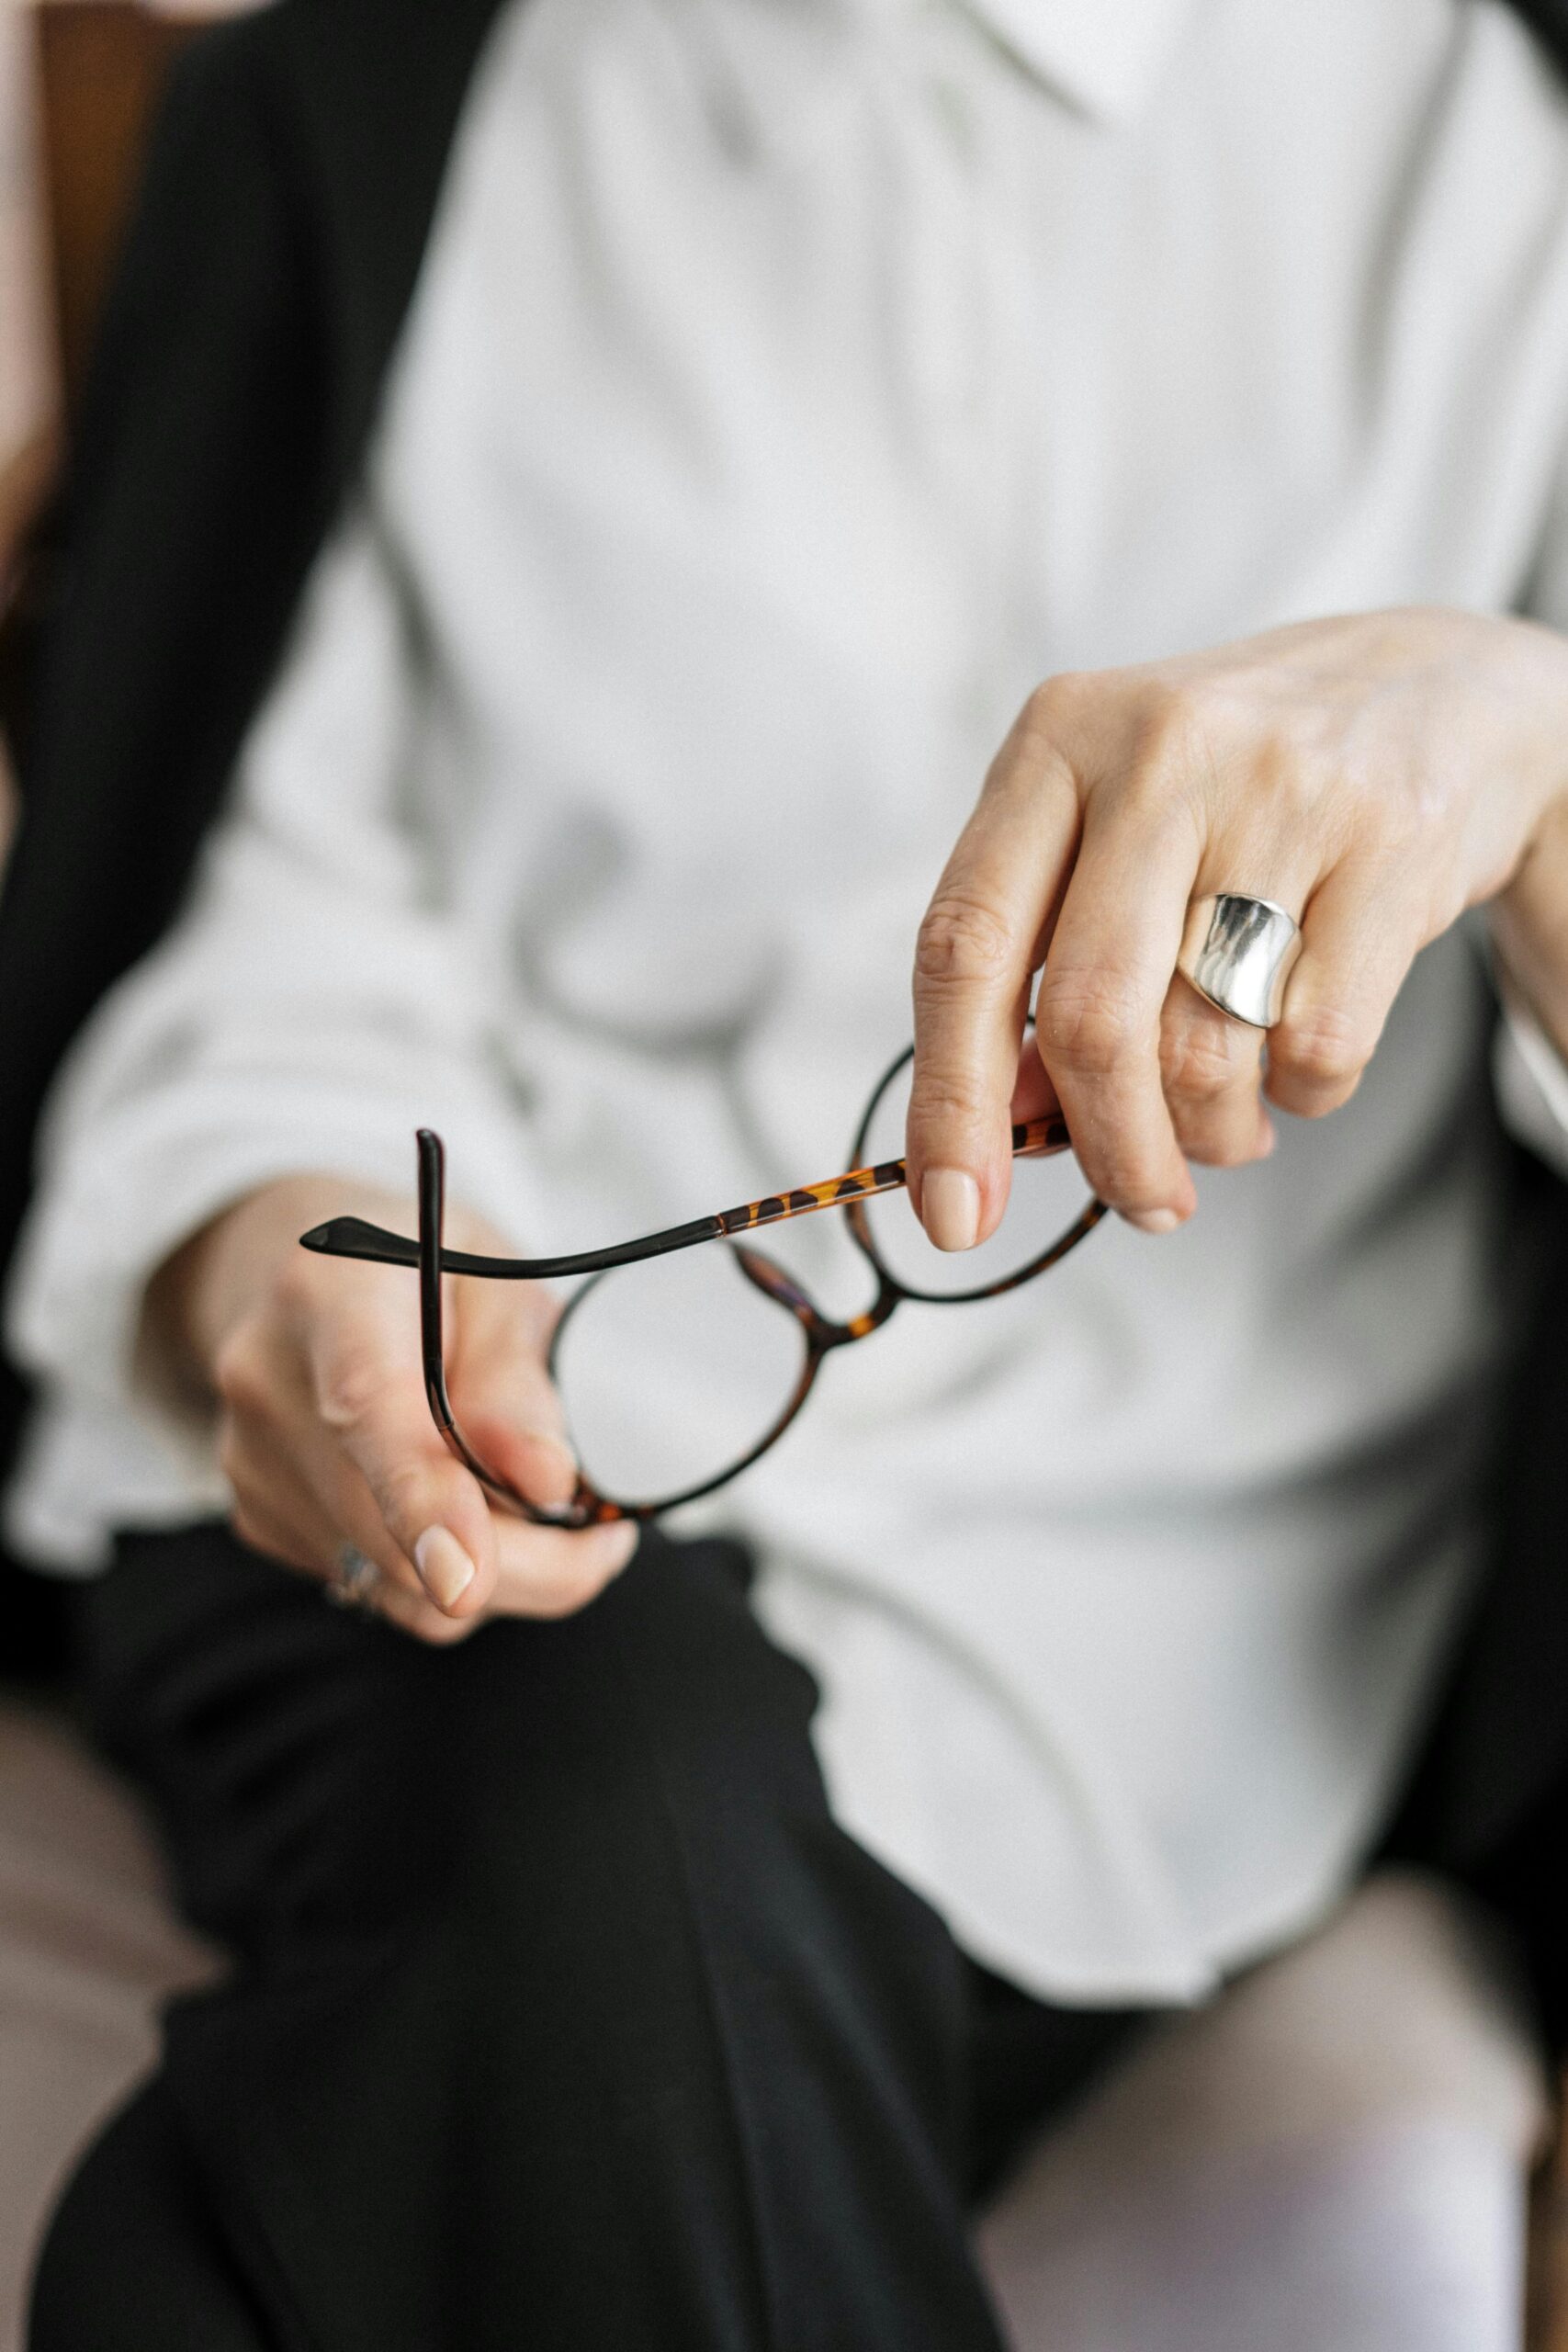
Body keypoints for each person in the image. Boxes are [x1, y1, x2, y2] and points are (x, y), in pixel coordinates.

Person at [6, 0, 1568, 2343]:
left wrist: (1529, 760)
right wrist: (281, 1257)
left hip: (1188, 1668)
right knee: (609, 1772)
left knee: (288, 2185)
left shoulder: (1498, 144)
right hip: (418, 1549)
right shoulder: (371, 106)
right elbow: (273, 944)